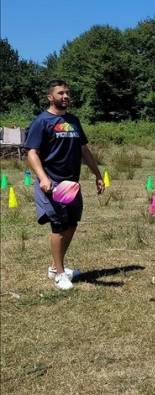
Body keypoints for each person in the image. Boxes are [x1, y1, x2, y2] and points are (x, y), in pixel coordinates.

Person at [24, 79, 105, 291]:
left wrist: (97, 174)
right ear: (50, 97)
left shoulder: (74, 120)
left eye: (67, 92)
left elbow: (84, 150)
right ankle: (60, 274)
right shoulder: (42, 121)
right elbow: (32, 152)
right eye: (61, 93)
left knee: (72, 225)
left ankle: (55, 266)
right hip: (52, 183)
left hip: (71, 184)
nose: (66, 96)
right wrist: (43, 178)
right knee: (58, 227)